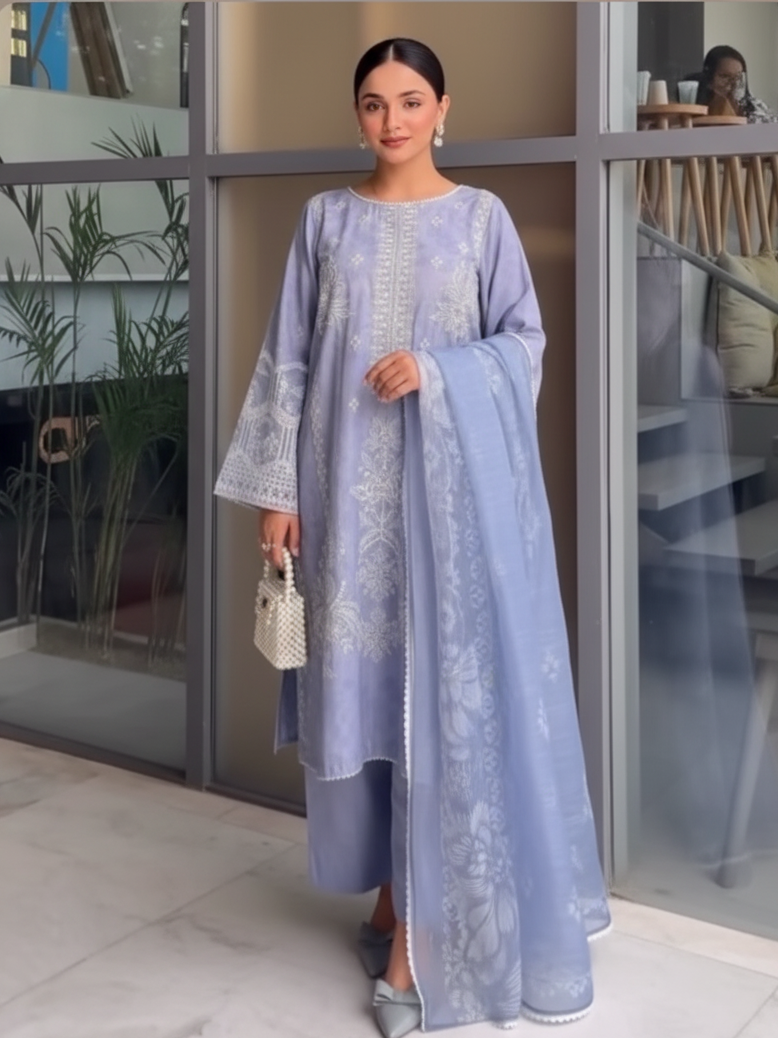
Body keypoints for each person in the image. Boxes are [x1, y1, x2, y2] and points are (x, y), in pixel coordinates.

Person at [215, 37, 610, 1037]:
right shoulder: (324, 222)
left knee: (432, 708)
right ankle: (393, 900)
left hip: (448, 522)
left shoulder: (480, 220)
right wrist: (275, 491)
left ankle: (413, 953)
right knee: (364, 702)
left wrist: (436, 371)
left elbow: (523, 345)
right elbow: (288, 361)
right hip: (343, 509)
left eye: (409, 100)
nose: (390, 119)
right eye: (373, 103)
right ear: (358, 115)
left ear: (443, 108)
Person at [694, 45, 777, 123]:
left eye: (738, 77)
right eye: (725, 76)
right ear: (709, 77)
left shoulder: (756, 108)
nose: (733, 84)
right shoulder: (695, 107)